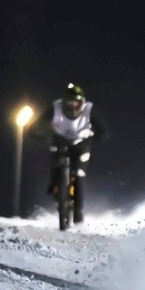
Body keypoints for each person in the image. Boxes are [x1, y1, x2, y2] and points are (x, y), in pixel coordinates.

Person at [30, 83, 109, 223]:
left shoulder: (89, 110)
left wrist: (98, 136)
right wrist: (37, 134)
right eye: (69, 102)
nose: (73, 105)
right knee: (56, 165)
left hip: (81, 143)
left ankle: (78, 212)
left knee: (79, 174)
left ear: (82, 102)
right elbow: (38, 124)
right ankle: (56, 188)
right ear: (63, 102)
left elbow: (102, 130)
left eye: (76, 102)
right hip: (60, 141)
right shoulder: (55, 108)